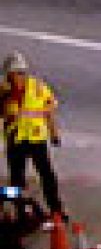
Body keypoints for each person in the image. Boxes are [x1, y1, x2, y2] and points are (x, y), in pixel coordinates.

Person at [0, 56, 60, 219]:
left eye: (19, 74)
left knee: (47, 174)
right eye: (11, 75)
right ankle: (20, 210)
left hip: (36, 138)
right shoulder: (3, 91)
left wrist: (54, 132)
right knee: (17, 179)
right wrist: (6, 101)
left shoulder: (38, 88)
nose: (15, 78)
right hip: (15, 139)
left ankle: (56, 209)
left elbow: (49, 110)